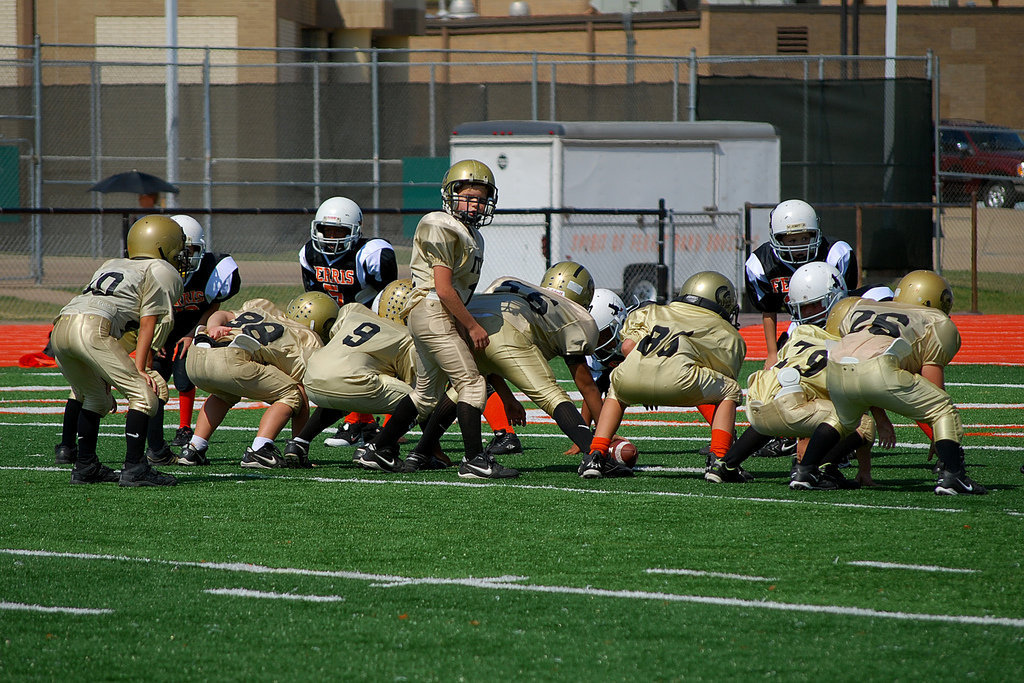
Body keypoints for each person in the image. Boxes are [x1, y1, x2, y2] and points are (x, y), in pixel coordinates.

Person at [353, 159, 515, 479]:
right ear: (451, 195)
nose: (476, 204)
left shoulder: (471, 235)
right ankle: (474, 459)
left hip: (432, 316)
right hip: (433, 311)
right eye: (469, 197)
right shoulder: (441, 224)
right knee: (471, 384)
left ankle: (379, 449)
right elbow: (443, 288)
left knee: (425, 395)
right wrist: (472, 325)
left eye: (481, 199)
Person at [405, 264, 629, 478]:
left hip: (473, 323)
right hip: (510, 335)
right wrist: (604, 436)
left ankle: (420, 452)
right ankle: (595, 457)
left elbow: (491, 366)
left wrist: (508, 399)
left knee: (463, 388)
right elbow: (587, 387)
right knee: (552, 394)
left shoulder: (507, 282)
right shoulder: (576, 316)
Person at [791, 270, 987, 495]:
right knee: (942, 409)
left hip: (836, 366)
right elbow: (932, 381)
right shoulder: (937, 321)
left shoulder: (862, 306)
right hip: (879, 368)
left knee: (841, 419)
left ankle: (805, 471)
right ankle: (954, 475)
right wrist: (938, 433)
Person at [706, 262, 895, 487]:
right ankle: (812, 470)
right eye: (803, 307)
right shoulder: (843, 343)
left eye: (814, 305)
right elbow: (860, 393)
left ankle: (724, 466)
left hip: (758, 406)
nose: (807, 312)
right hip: (796, 406)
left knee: (774, 411)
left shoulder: (798, 333)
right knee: (862, 422)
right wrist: (881, 423)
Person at [50, 215, 188, 487]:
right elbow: (149, 322)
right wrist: (141, 368)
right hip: (94, 328)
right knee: (145, 396)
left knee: (95, 398)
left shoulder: (111, 263)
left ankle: (85, 466)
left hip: (62, 325)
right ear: (162, 244)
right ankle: (135, 468)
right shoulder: (160, 269)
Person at [584, 271, 747, 477]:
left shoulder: (652, 311)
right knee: (730, 390)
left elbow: (627, 347)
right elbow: (723, 373)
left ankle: (595, 456)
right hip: (680, 382)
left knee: (616, 389)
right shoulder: (726, 332)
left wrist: (647, 371)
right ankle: (720, 460)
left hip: (633, 377)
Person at [283, 279, 440, 469]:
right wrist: (433, 450)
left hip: (313, 379)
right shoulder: (407, 338)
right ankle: (377, 447)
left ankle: (299, 443)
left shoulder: (353, 311)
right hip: (353, 381)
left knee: (341, 388)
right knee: (421, 400)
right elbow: (416, 396)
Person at [177, 292, 338, 468]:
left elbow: (221, 314)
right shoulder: (308, 340)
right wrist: (298, 445)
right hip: (230, 359)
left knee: (225, 392)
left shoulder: (263, 308)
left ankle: (193, 449)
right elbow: (301, 392)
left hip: (197, 352)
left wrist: (213, 326)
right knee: (292, 395)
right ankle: (260, 450)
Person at [299, 195, 398, 449]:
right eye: (327, 230)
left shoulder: (372, 253)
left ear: (354, 230)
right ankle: (361, 424)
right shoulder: (309, 254)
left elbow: (388, 296)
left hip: (371, 322)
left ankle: (387, 426)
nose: (332, 237)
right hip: (339, 323)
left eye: (339, 231)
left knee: (366, 372)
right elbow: (316, 298)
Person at [142, 214, 241, 466]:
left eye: (191, 250)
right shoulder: (152, 269)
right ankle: (153, 441)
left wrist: (194, 332)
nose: (184, 258)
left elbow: (214, 303)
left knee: (184, 377)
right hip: (161, 328)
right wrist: (155, 339)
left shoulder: (212, 269)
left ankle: (184, 428)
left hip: (193, 326)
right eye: (179, 251)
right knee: (154, 379)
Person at [562, 287, 628, 456]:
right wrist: (582, 438)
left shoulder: (637, 335)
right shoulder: (595, 352)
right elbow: (591, 390)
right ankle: (603, 434)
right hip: (610, 374)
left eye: (604, 335)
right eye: (595, 336)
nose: (599, 343)